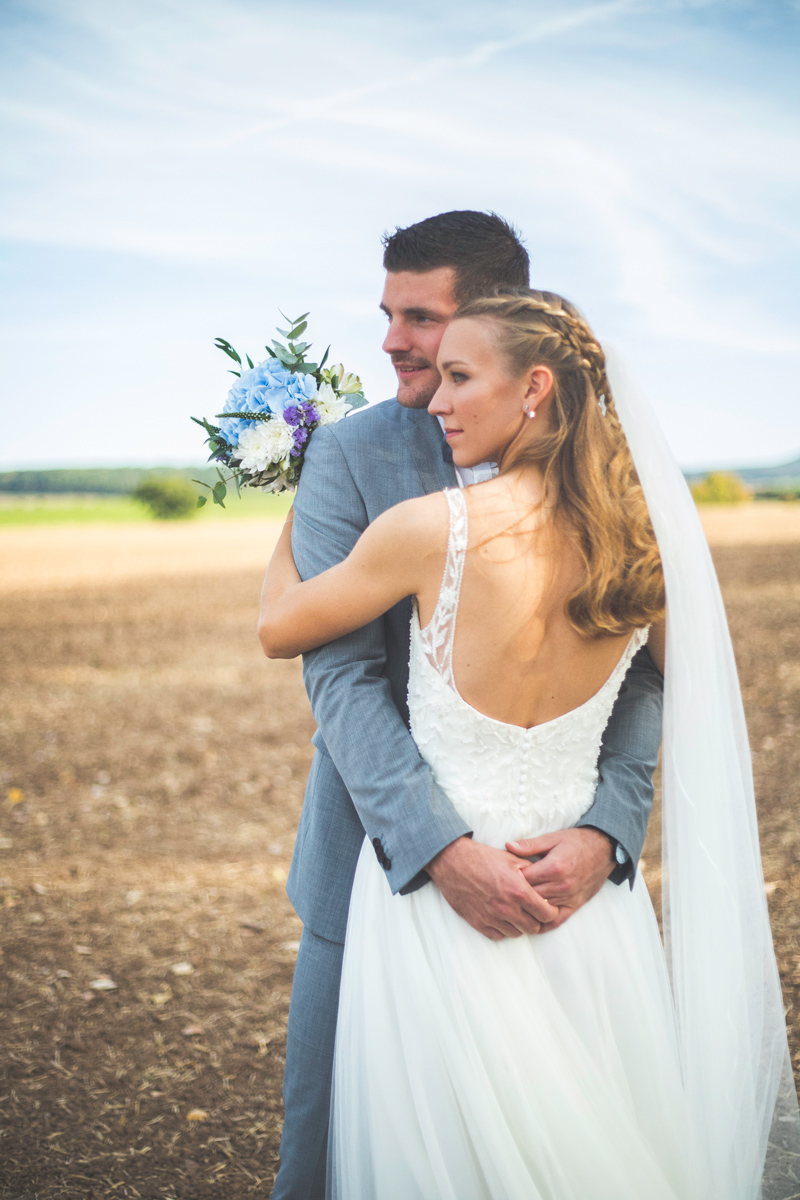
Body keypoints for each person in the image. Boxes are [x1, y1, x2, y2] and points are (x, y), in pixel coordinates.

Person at [260, 288, 799, 1198]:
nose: (436, 400)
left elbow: (280, 628)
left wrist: (303, 499)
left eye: (461, 377)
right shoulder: (644, 552)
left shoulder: (426, 531)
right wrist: (612, 829)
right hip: (585, 912)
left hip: (437, 911)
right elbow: (687, 688)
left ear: (535, 389)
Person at [268, 213, 664, 1199]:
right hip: (380, 868)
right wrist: (437, 848)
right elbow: (339, 670)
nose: (398, 344)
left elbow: (648, 670)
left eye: (422, 320)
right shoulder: (351, 456)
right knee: (332, 1153)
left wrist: (606, 831)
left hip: (564, 885)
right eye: (388, 317)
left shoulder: (617, 486)